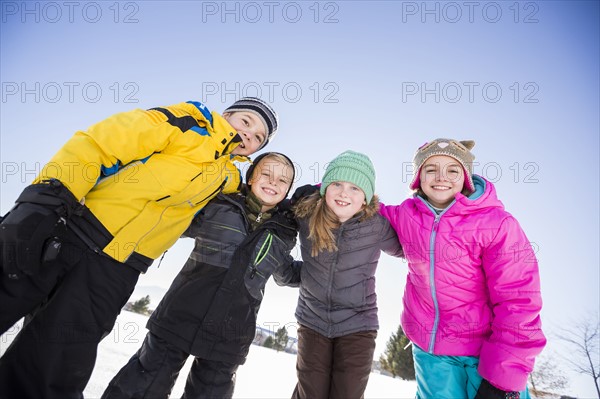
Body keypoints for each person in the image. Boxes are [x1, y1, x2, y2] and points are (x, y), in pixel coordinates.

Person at [0, 97, 278, 398]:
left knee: (53, 366)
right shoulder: (187, 124)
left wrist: (293, 209)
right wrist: (45, 197)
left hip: (117, 267)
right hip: (72, 228)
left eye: (259, 137)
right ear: (226, 116)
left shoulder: (228, 179)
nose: (250, 135)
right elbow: (103, 142)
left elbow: (249, 208)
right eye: (247, 122)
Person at [101, 152, 300, 398]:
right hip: (181, 313)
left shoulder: (284, 233)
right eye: (266, 174)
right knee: (143, 386)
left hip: (231, 332)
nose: (273, 182)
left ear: (289, 191)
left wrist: (326, 271)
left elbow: (287, 273)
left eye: (283, 180)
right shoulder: (221, 203)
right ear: (250, 178)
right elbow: (172, 220)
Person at [379, 138, 546, 399]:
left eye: (453, 170)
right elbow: (359, 206)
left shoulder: (497, 224)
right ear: (418, 178)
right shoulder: (405, 215)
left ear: (466, 178)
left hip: (485, 354)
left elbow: (519, 299)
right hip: (431, 353)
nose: (441, 177)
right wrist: (326, 188)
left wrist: (503, 379)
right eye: (431, 169)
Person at [289, 150, 404, 399]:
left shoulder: (377, 226)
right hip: (312, 320)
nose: (344, 193)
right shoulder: (306, 215)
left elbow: (409, 250)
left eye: (355, 188)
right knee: (311, 393)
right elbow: (274, 231)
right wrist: (284, 272)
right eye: (337, 184)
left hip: (358, 324)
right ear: (324, 189)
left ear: (365, 198)